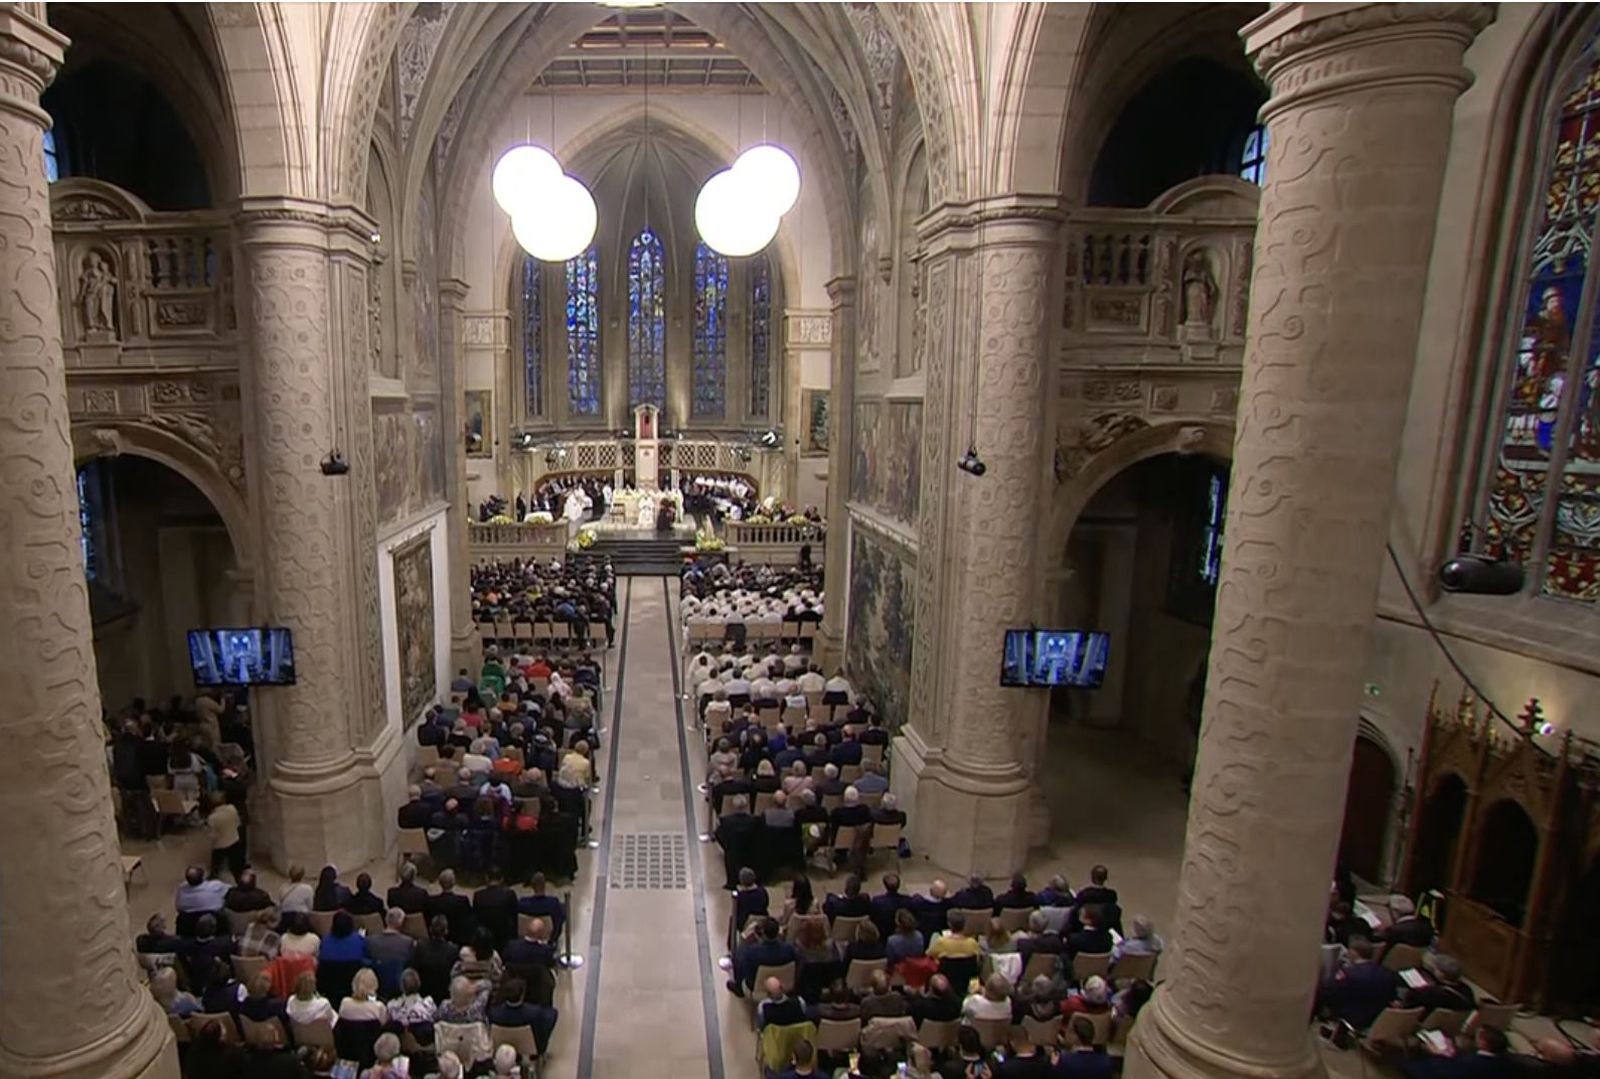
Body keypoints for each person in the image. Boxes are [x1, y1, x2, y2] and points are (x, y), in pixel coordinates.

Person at [1318, 936, 1401, 1030]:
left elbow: (1328, 994)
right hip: (1376, 1022)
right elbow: (1392, 998)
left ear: (1353, 953)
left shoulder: (1348, 974)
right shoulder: (1387, 973)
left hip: (1352, 1020)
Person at [486, 976, 560, 1057]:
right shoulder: (535, 1012)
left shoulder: (493, 1013)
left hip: (501, 1047)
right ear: (522, 995)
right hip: (531, 1048)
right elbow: (553, 1014)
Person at [729, 917, 797, 997]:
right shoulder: (789, 949)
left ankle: (739, 988)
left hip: (756, 987)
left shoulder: (751, 952)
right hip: (783, 983)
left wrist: (743, 941)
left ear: (763, 933)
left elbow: (746, 971)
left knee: (739, 955)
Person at [1404, 953, 1477, 1013]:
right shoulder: (1467, 990)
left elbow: (1411, 998)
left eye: (1436, 968)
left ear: (1441, 974)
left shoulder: (1434, 993)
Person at [415, 915, 461, 1003]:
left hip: (425, 993)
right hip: (444, 994)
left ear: (430, 929)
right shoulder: (453, 950)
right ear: (446, 931)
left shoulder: (420, 947)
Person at [207, 793, 246, 881]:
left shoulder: (212, 818)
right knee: (235, 863)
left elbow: (213, 835)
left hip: (220, 844)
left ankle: (213, 876)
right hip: (234, 839)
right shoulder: (232, 808)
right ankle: (239, 879)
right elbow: (238, 822)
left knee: (216, 862)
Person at [429, 869, 475, 943]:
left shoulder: (432, 901)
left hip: (436, 938)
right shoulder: (462, 901)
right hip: (457, 939)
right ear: (453, 882)